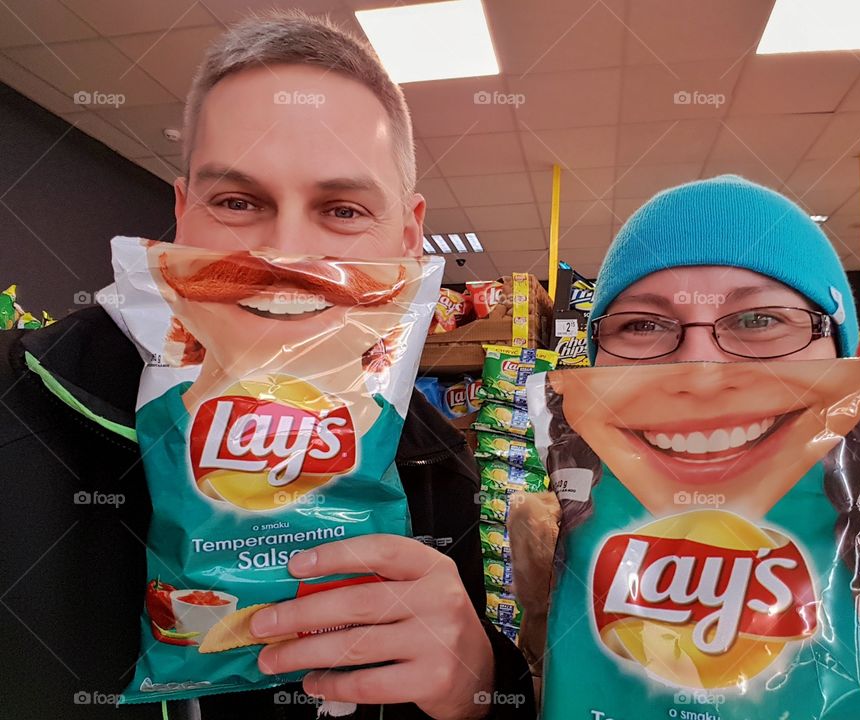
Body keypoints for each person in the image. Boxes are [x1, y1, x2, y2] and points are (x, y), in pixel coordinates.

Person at [0, 11, 533, 720]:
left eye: (342, 210)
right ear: (183, 213)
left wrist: (480, 688)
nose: (285, 258)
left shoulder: (434, 467)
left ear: (406, 240)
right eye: (238, 202)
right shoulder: (18, 417)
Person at [509, 175, 860, 719]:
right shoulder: (560, 540)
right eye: (643, 324)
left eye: (759, 319)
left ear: (845, 358)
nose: (701, 374)